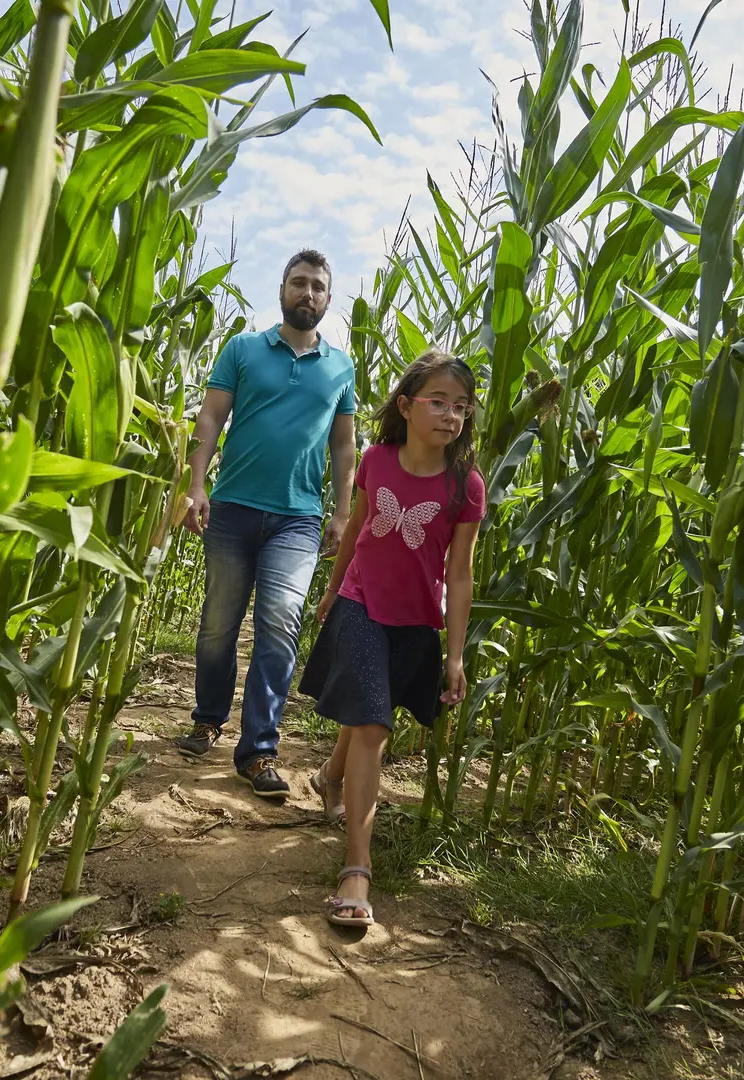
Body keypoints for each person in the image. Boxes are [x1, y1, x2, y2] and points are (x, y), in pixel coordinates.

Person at [299, 351, 484, 927]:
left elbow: (458, 573)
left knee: (364, 716)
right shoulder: (376, 460)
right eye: (438, 402)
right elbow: (355, 528)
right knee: (375, 724)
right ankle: (357, 867)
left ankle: (330, 777)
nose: (451, 415)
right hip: (360, 604)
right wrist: (331, 591)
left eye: (461, 406)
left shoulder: (465, 485)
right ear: (405, 407)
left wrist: (454, 655)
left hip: (414, 619)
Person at [176, 250, 358, 799]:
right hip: (232, 507)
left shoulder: (341, 366)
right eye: (298, 283)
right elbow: (210, 417)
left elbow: (344, 443)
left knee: (280, 621)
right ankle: (208, 718)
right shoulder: (243, 349)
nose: (308, 293)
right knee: (217, 626)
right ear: (281, 290)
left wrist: (344, 510)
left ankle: (258, 750)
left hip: (298, 518)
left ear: (327, 299)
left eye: (318, 287)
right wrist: (196, 484)